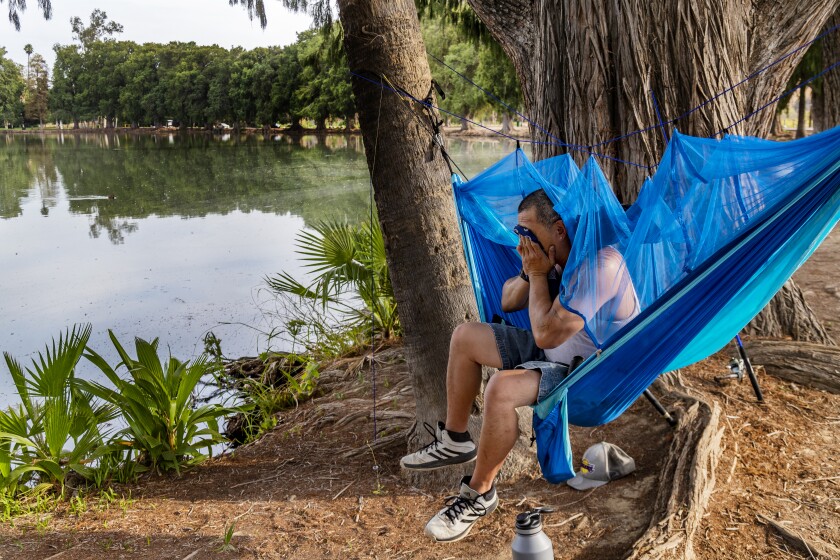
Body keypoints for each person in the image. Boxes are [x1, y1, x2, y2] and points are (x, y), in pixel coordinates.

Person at [399, 189, 639, 543]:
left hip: (585, 373)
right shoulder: (554, 257)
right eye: (519, 233)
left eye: (528, 232)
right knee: (465, 336)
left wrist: (540, 275)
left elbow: (545, 334)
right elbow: (507, 299)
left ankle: (479, 495)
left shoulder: (601, 267)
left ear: (559, 229)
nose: (522, 242)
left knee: (501, 388)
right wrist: (532, 271)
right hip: (552, 351)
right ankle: (455, 439)